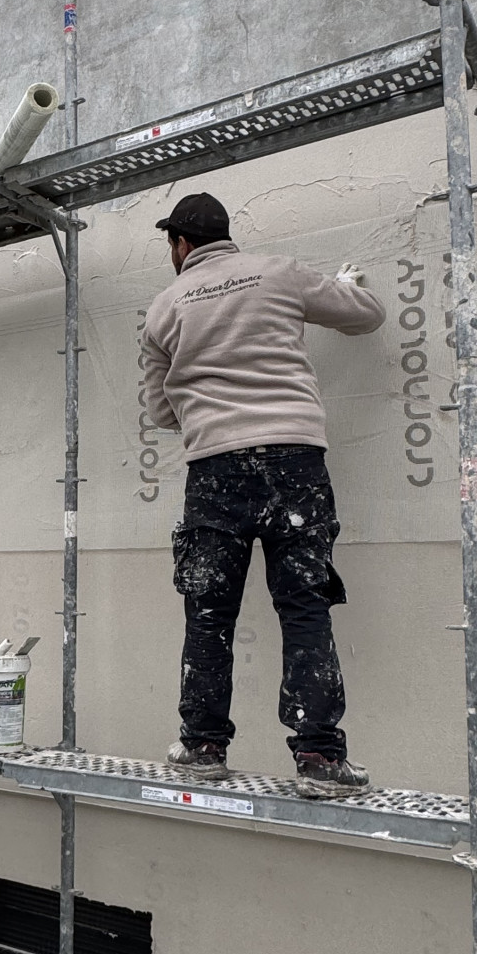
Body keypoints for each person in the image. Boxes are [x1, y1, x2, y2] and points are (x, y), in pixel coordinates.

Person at [140, 192, 385, 798]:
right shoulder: (280, 274)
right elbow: (367, 316)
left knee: (208, 611)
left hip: (214, 471)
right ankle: (319, 759)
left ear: (180, 244)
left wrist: (206, 399)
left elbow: (160, 412)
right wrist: (345, 287)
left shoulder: (164, 308)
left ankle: (202, 747)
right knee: (304, 606)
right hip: (294, 463)